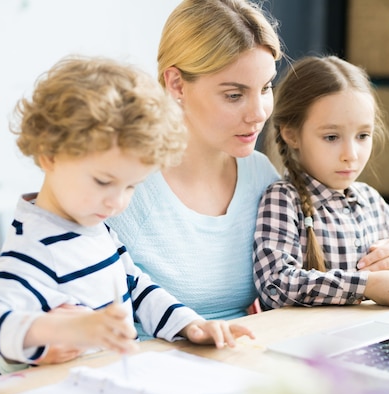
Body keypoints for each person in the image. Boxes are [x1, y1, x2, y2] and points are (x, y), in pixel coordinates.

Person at [0, 55, 254, 374]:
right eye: (104, 181)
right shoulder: (35, 246)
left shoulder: (93, 225)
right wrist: (56, 330)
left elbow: (134, 285)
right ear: (49, 155)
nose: (116, 202)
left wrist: (190, 324)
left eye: (131, 186)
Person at [106, 0, 282, 326]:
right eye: (234, 95)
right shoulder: (122, 187)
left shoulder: (261, 176)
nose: (259, 113)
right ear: (176, 84)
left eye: (266, 87)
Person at [253, 55, 389, 310]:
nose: (351, 154)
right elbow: (277, 284)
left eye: (363, 135)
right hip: (308, 341)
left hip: (366, 333)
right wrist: (367, 285)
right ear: (291, 134)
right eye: (331, 137)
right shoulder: (283, 199)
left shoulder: (368, 200)